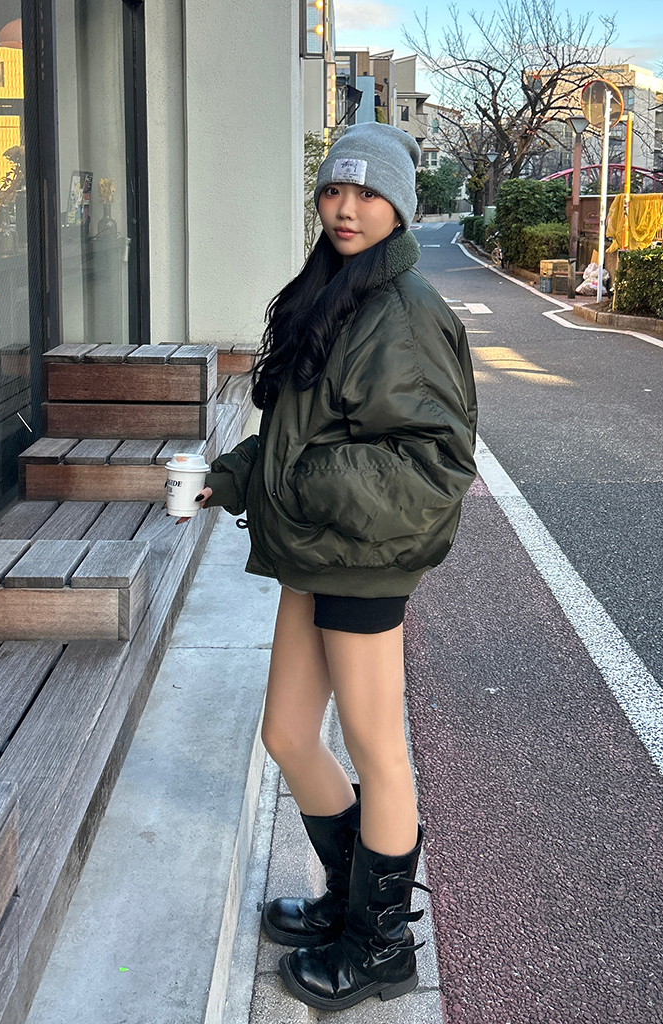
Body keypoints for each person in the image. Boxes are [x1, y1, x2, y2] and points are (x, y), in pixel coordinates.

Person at [197, 122, 477, 1012]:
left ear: (400, 206)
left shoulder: (407, 312)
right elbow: (296, 436)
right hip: (316, 549)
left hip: (365, 558)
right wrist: (227, 478)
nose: (345, 209)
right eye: (332, 190)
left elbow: (435, 465)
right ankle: (353, 901)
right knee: (287, 734)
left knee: (378, 752)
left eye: (366, 193)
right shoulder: (331, 289)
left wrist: (298, 483)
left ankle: (382, 946)